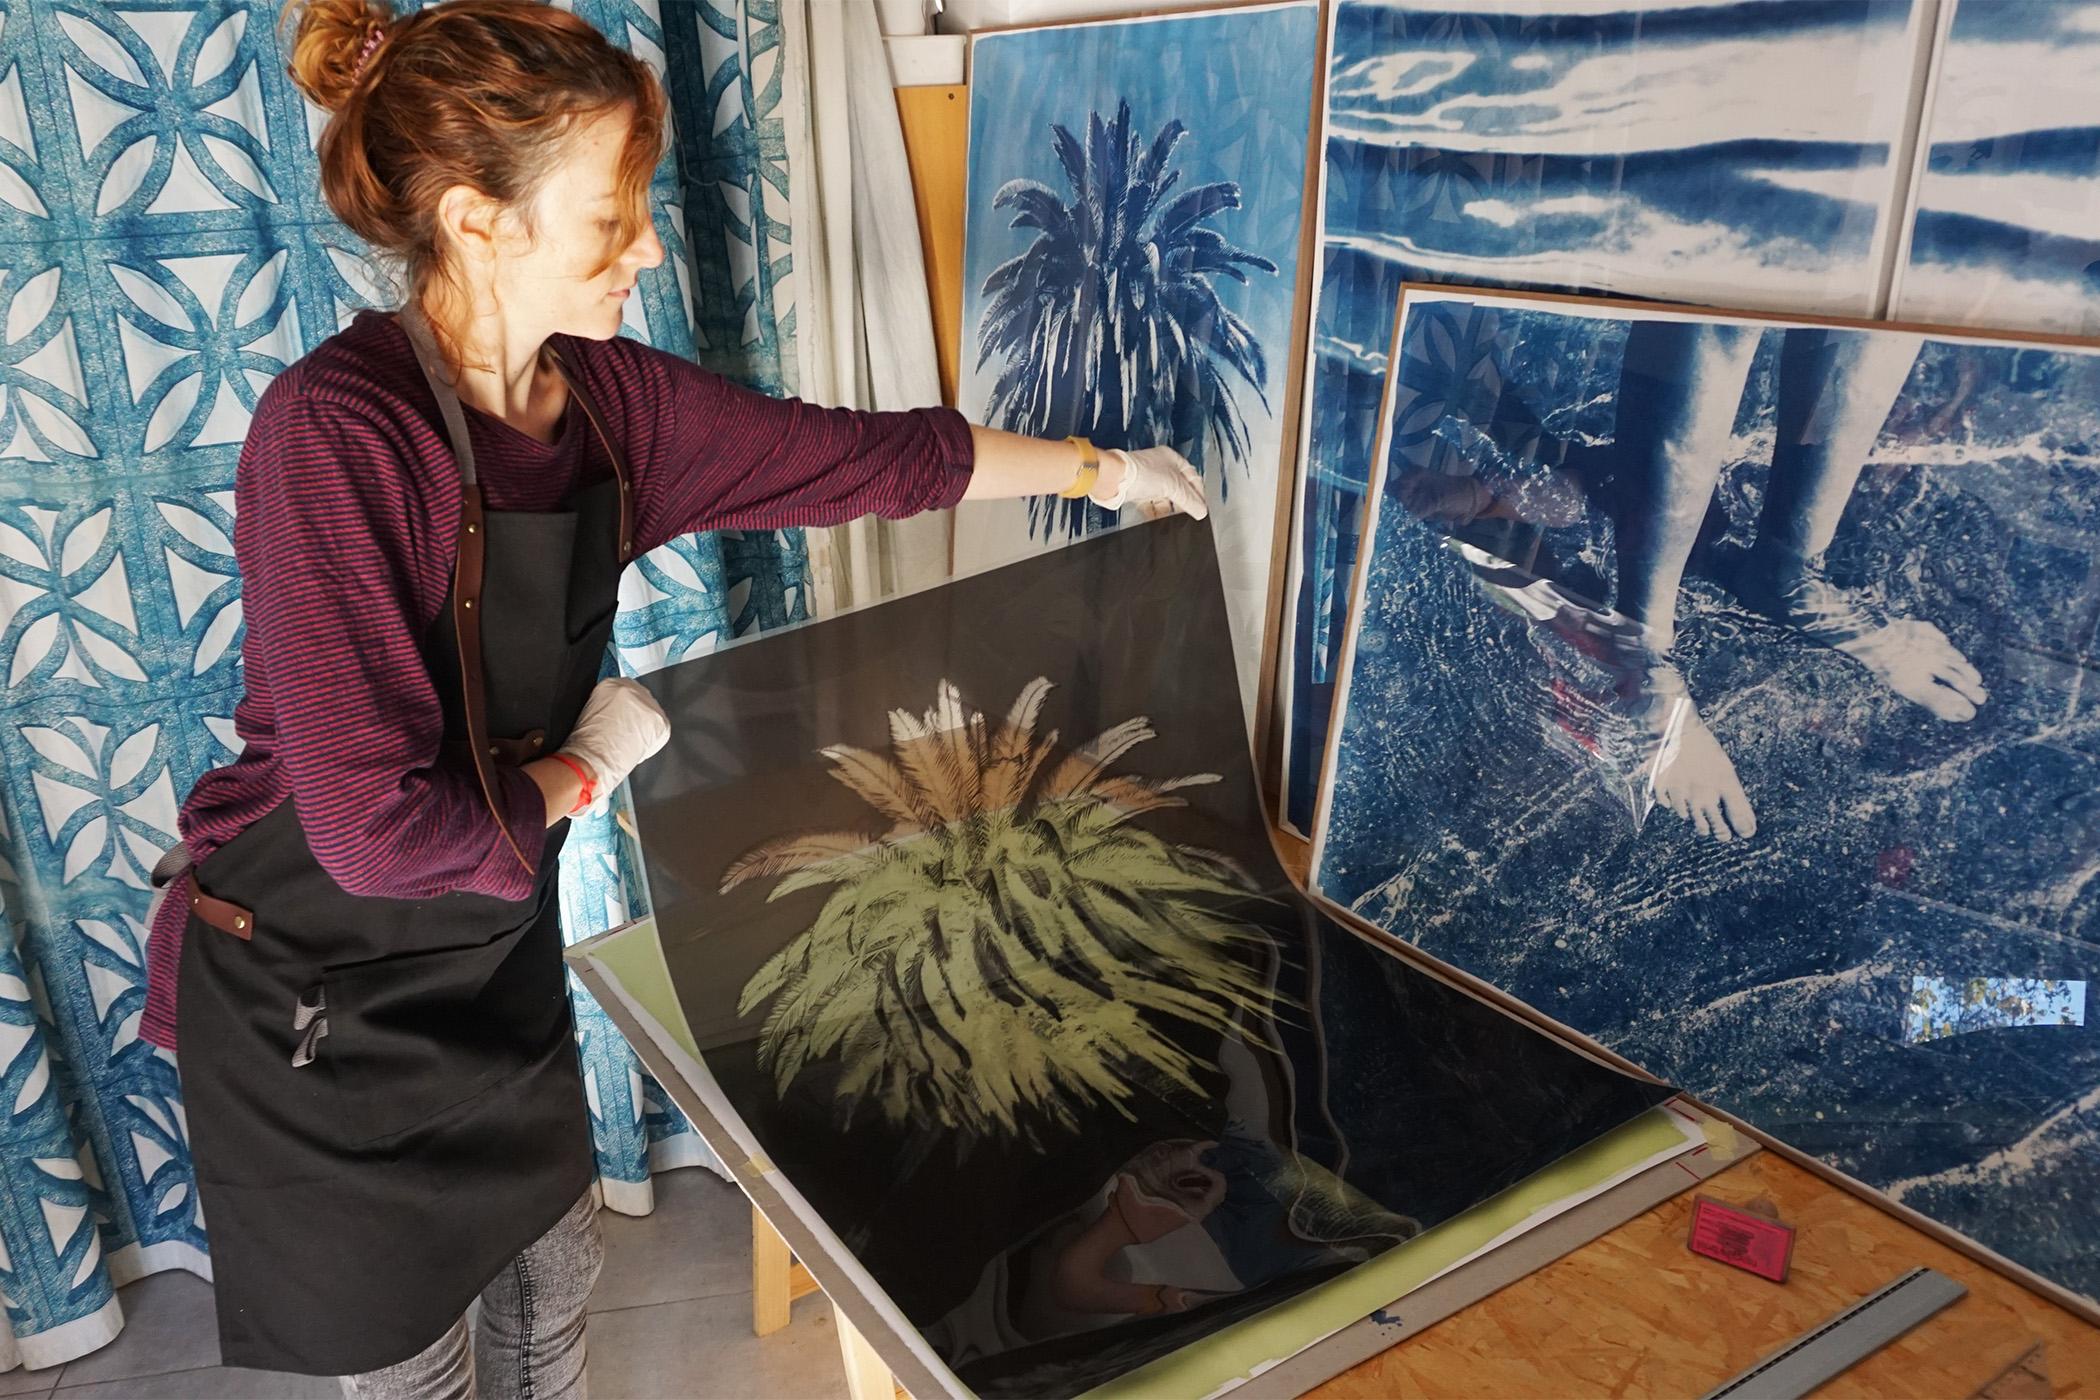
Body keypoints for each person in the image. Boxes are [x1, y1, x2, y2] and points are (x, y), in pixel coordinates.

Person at [135, 2, 1208, 1395]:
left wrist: (1099, 469)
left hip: (483, 952)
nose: (646, 247)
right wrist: (586, 765)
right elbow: (375, 836)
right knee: (419, 1370)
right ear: (477, 221)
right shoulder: (336, 434)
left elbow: (854, 460)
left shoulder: (608, 404)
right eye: (611, 218)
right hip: (316, 993)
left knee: (558, 1282)